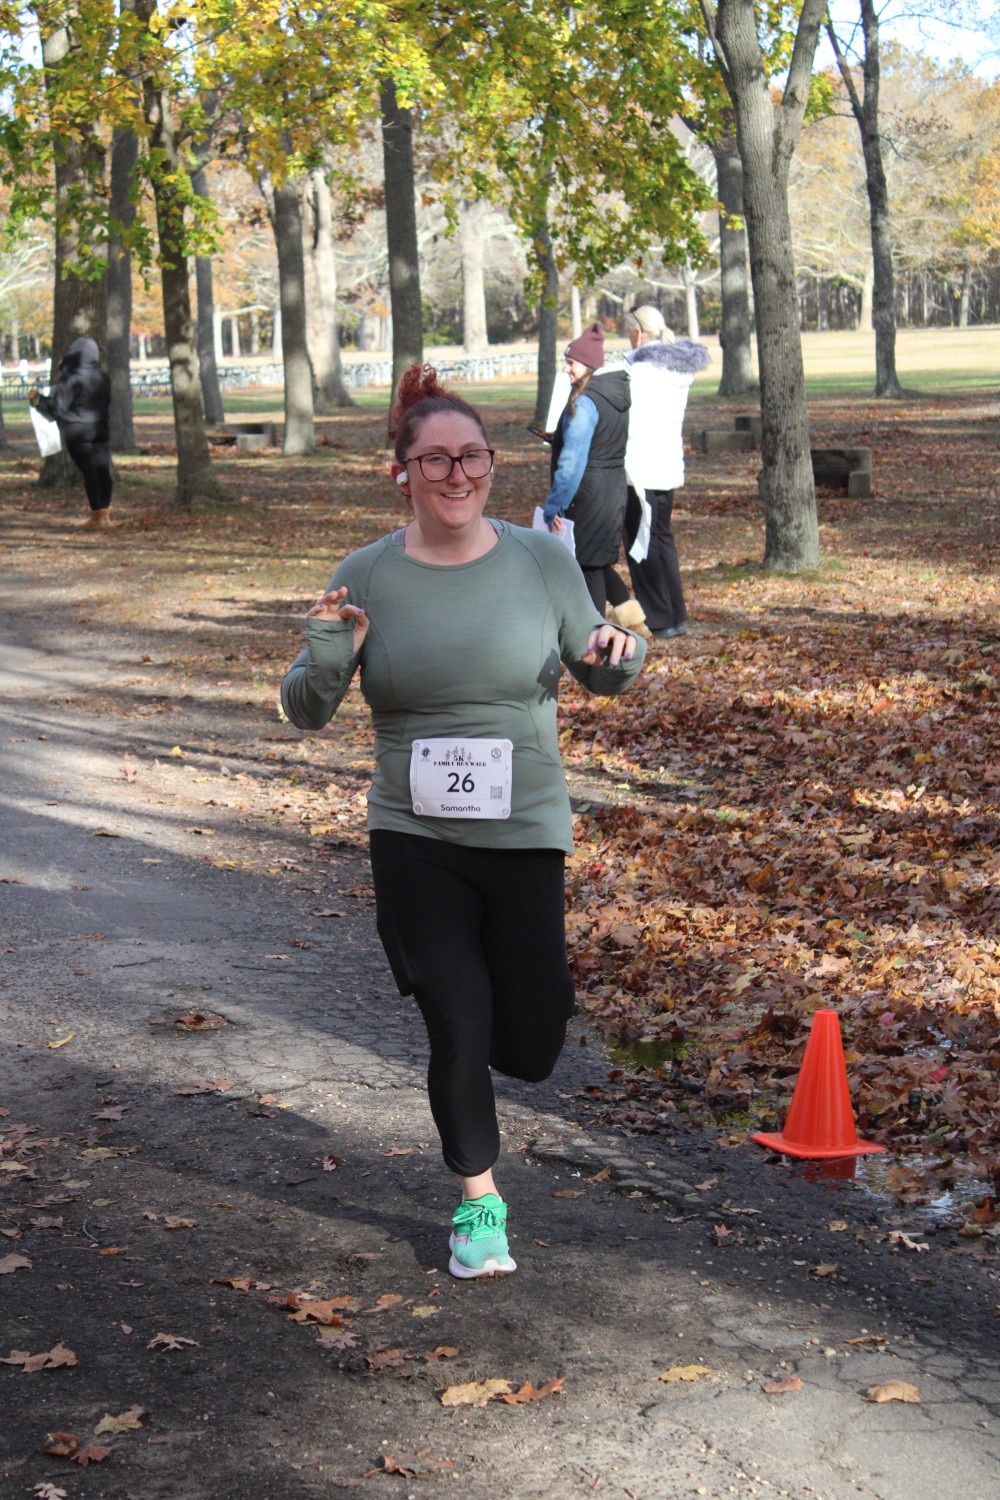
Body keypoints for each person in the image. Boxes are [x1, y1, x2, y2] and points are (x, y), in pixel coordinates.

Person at [280, 364, 646, 1279]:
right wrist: (328, 651)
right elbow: (306, 709)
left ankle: (510, 1063)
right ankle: (479, 1205)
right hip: (415, 837)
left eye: (473, 456)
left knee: (533, 1039)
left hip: (525, 831)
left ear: (491, 463)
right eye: (435, 459)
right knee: (458, 1021)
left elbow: (599, 664)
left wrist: (619, 654)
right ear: (400, 473)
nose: (457, 474)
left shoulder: (541, 562)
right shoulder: (365, 574)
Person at [541, 322, 644, 628]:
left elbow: (572, 463)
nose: (567, 369)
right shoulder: (615, 393)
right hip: (612, 488)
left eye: (571, 363)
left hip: (588, 494)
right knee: (597, 560)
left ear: (587, 364)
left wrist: (554, 506)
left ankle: (595, 636)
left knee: (587, 565)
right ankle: (635, 624)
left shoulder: (586, 403)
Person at [622, 306, 710, 638]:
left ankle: (658, 617)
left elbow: (631, 421)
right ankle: (675, 613)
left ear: (637, 333)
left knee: (640, 541)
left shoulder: (640, 372)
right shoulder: (676, 371)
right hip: (667, 462)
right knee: (661, 537)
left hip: (640, 465)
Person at [29, 337, 113, 531]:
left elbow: (58, 410)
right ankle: (104, 514)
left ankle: (97, 515)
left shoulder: (70, 379)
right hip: (101, 427)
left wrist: (38, 400)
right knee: (103, 470)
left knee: (90, 472)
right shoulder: (103, 376)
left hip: (78, 429)